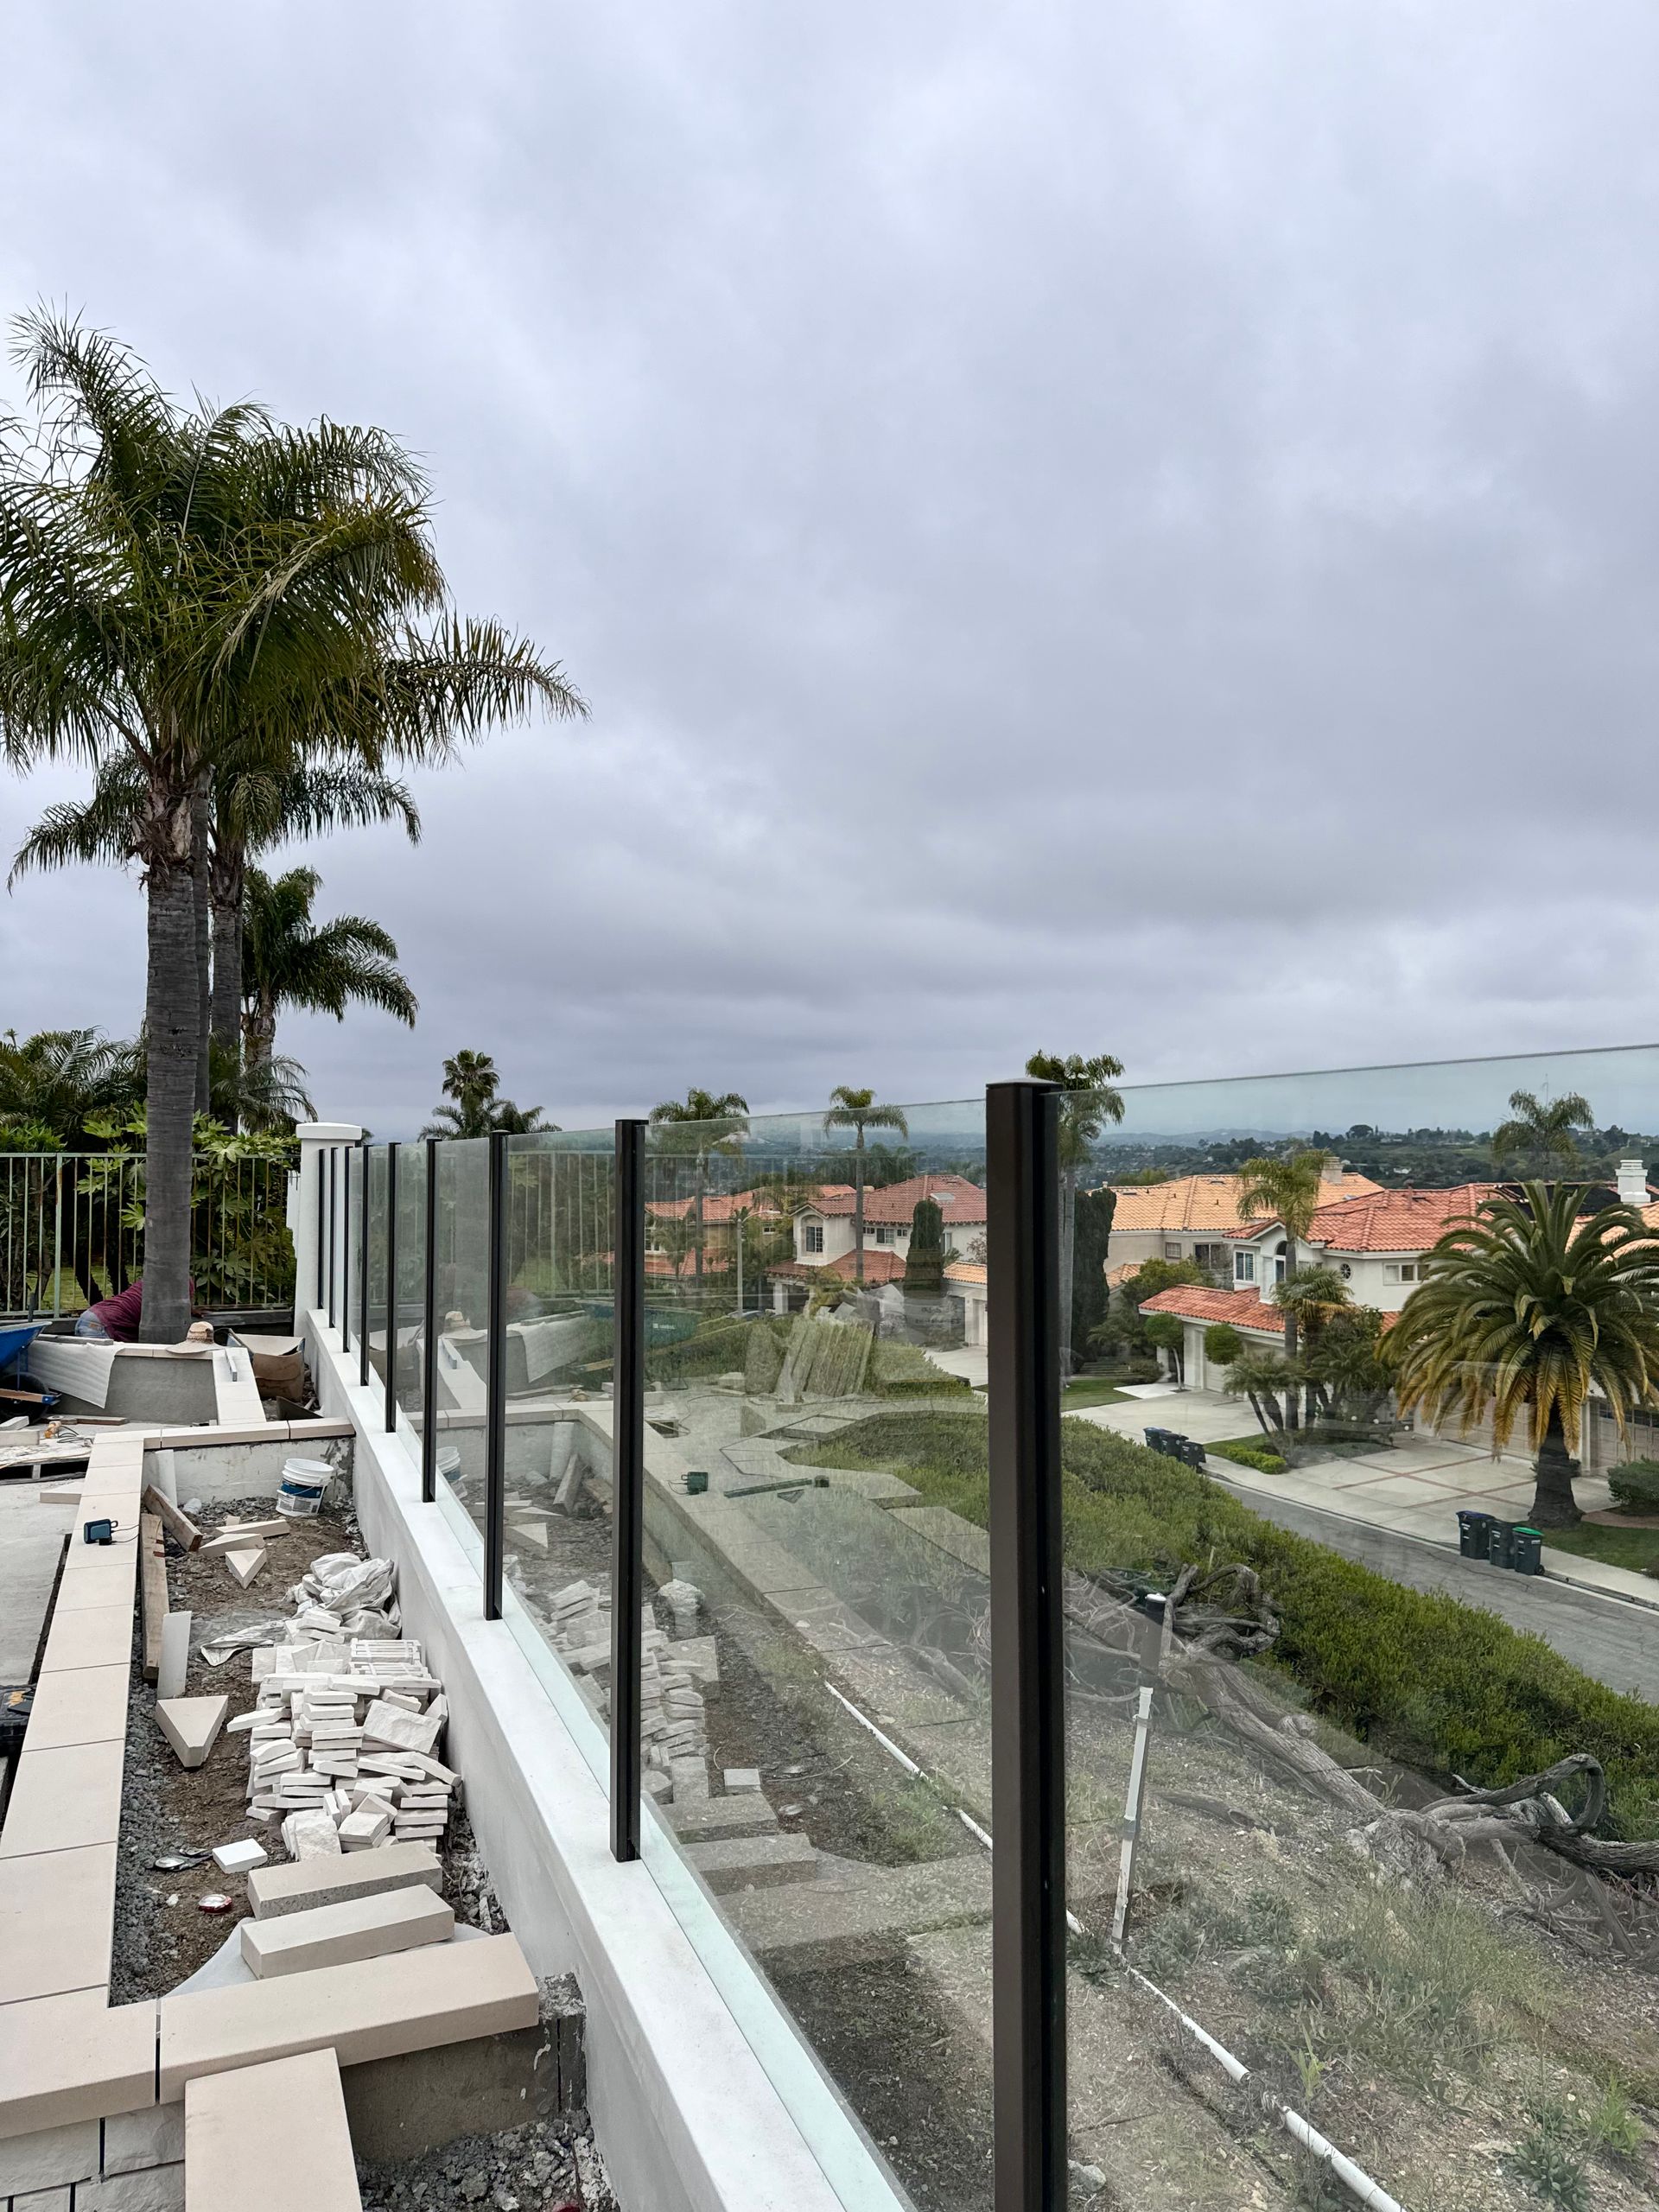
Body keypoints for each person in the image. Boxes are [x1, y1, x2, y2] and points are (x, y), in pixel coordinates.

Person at [75, 1278, 197, 1342]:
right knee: (101, 1373)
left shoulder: (152, 1278)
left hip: (90, 1316)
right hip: (100, 1325)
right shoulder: (182, 1283)